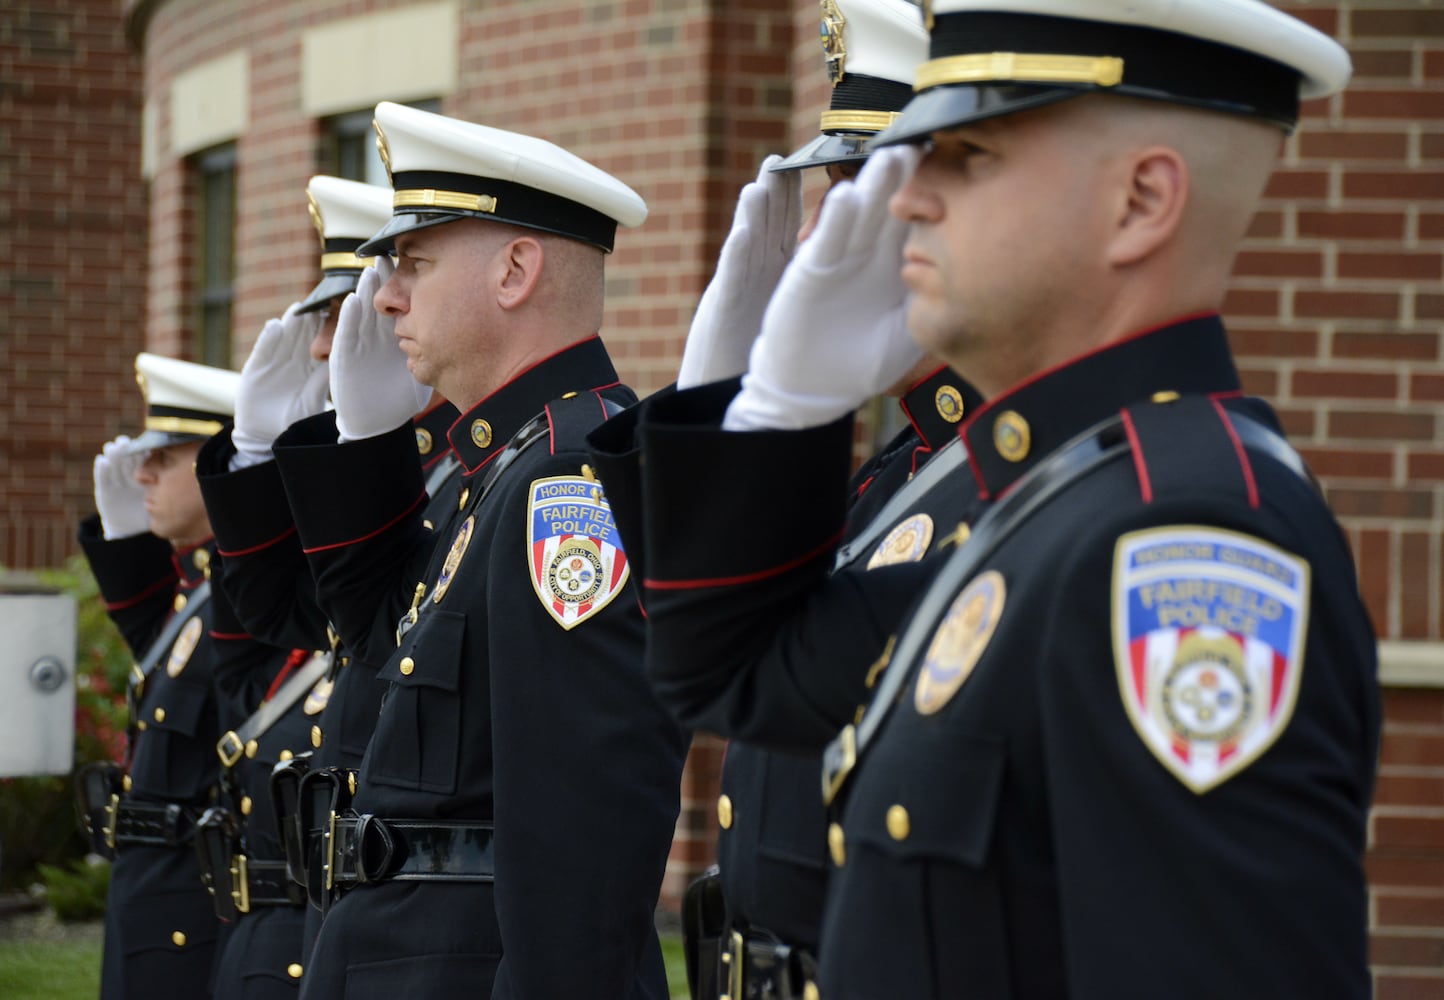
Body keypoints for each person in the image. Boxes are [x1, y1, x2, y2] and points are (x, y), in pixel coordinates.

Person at [592, 0, 1380, 996]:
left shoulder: (1178, 535)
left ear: (1140, 202)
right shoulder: (1053, 492)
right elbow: (733, 677)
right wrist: (771, 410)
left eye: (963, 155)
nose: (904, 200)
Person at [257, 103, 687, 999]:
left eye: (412, 263)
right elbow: (375, 649)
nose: (384, 295)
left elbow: (588, 823)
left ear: (516, 270)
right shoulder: (497, 467)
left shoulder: (568, 481)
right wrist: (367, 444)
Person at [591, 3, 978, 997]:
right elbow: (683, 635)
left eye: (858, 189)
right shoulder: (893, 467)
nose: (817, 234)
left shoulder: (1006, 472)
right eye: (825, 194)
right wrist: (719, 397)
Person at [194, 177, 462, 972]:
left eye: (347, 314)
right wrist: (253, 453)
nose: (324, 347)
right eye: (323, 320)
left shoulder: (459, 472)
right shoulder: (382, 476)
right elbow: (280, 613)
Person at [78, 354, 292, 999]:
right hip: (152, 892)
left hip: (194, 907)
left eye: (165, 458)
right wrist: (122, 539)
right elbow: (161, 658)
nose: (142, 473)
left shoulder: (243, 598)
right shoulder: (198, 592)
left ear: (221, 463)